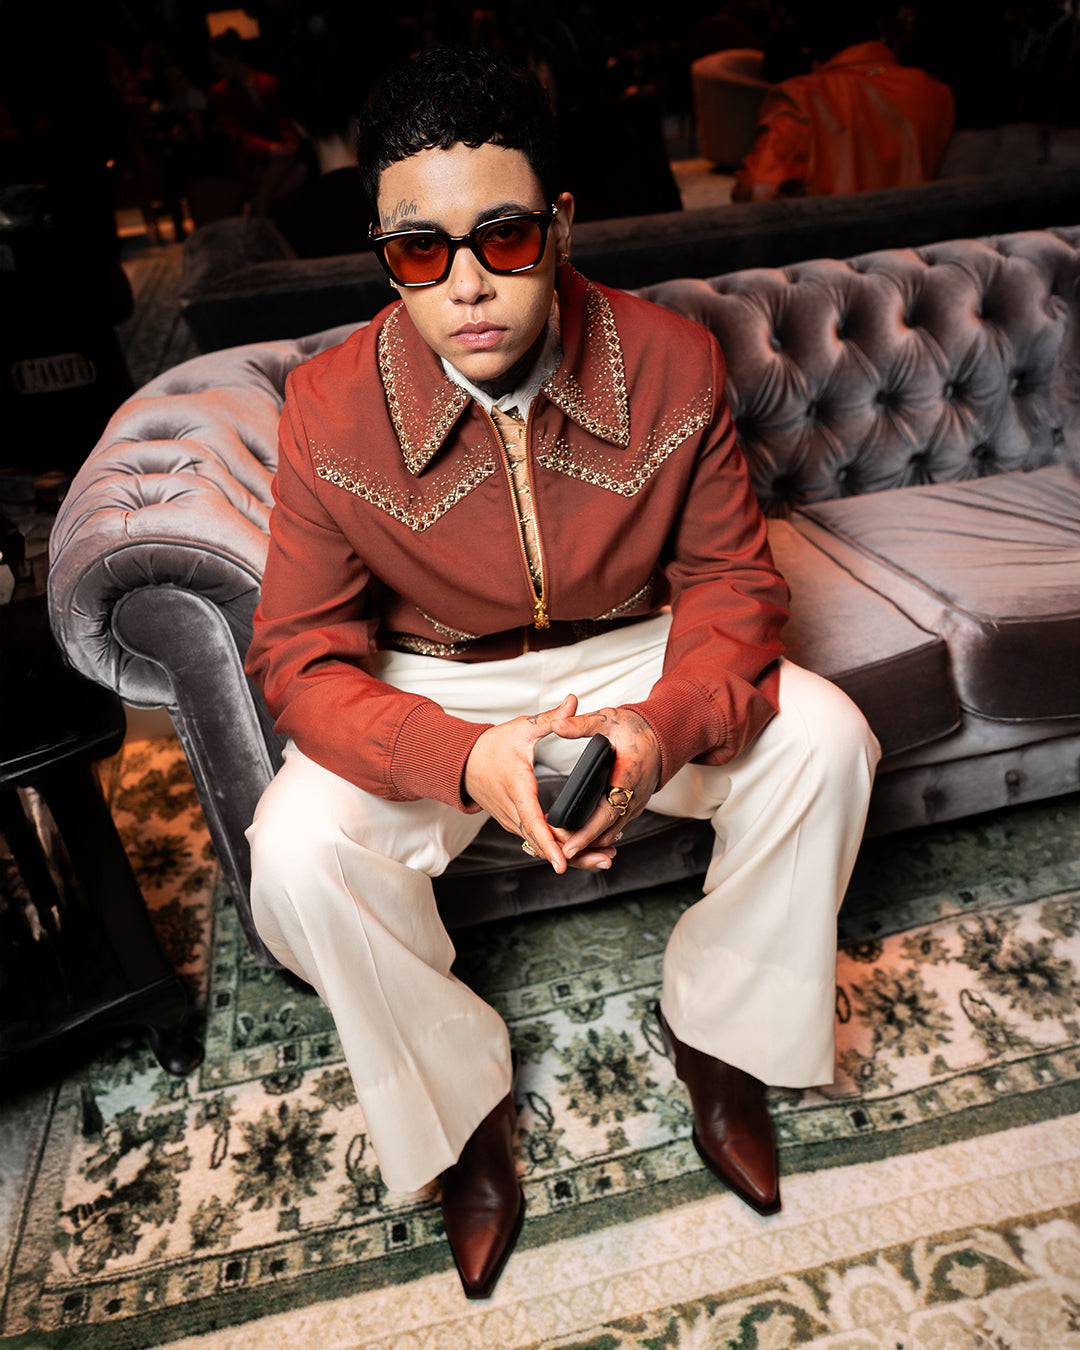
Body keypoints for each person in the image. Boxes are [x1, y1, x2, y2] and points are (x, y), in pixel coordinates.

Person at [245, 43, 880, 1301]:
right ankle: (464, 1110)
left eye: (504, 236)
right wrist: (463, 760)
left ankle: (719, 1037)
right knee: (298, 852)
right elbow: (302, 660)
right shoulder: (326, 406)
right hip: (433, 679)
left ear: (562, 224)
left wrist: (655, 732)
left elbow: (735, 588)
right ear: (384, 254)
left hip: (634, 644)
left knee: (827, 740)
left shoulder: (674, 357)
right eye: (420, 251)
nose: (467, 284)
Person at [732, 0, 955, 201]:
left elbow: (758, 193)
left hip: (831, 233)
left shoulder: (800, 97)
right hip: (913, 232)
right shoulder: (934, 92)